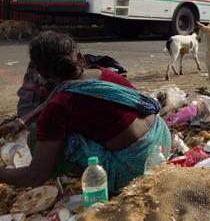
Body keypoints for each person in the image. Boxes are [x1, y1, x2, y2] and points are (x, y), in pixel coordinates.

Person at [0, 31, 171, 193]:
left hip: (135, 169)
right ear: (80, 57)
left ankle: (91, 179)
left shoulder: (58, 108)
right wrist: (23, 121)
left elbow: (35, 176)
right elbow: (60, 91)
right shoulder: (102, 73)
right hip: (162, 142)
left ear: (42, 75)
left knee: (39, 134)